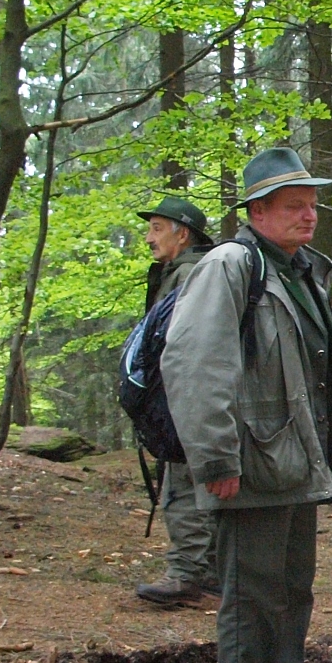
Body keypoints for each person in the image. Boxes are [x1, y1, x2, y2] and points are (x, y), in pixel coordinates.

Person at [161, 147, 332, 663]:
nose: (309, 216)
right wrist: (216, 459)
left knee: (291, 593)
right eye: (293, 206)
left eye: (312, 205)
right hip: (249, 465)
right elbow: (195, 364)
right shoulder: (230, 266)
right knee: (250, 600)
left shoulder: (301, 271)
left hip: (296, 463)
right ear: (255, 212)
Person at [132, 196, 219, 607]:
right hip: (192, 394)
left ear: (182, 235)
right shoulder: (196, 271)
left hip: (185, 396)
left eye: (156, 229)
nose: (149, 238)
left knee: (183, 484)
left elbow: (179, 343)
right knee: (199, 480)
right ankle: (212, 575)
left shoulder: (188, 275)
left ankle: (187, 576)